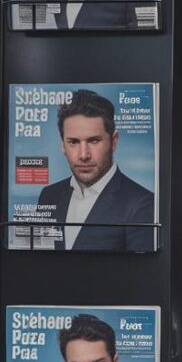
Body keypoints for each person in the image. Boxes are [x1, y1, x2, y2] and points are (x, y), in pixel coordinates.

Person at [36, 90, 154, 250]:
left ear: (114, 141)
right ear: (62, 145)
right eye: (73, 142)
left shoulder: (142, 203)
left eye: (94, 141)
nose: (84, 155)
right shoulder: (49, 195)